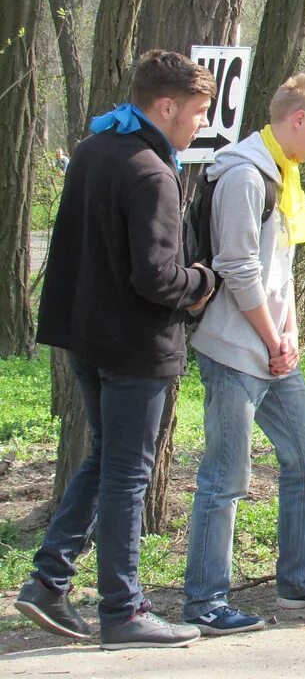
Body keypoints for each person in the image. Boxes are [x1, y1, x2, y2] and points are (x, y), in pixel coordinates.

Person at [14, 50, 217, 649]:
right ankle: (123, 610)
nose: (201, 123)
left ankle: (49, 580)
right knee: (129, 474)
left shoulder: (94, 149)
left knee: (106, 460)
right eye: (197, 112)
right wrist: (204, 282)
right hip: (133, 345)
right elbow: (157, 277)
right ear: (165, 106)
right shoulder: (151, 171)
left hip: (85, 336)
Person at [183, 74, 305, 634]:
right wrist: (269, 337)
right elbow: (237, 269)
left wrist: (290, 336)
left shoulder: (284, 175)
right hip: (233, 349)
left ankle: (300, 582)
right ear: (298, 120)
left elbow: (279, 268)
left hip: (271, 350)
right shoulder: (243, 175)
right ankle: (205, 601)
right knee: (225, 477)